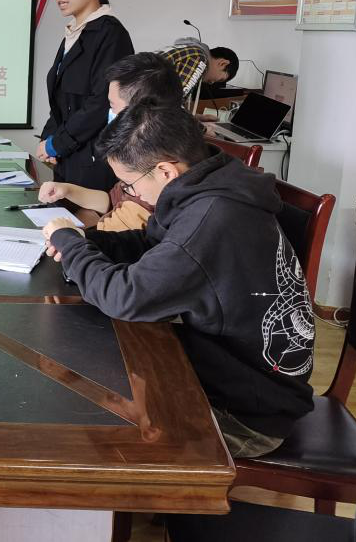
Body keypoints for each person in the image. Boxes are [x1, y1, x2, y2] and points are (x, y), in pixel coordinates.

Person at [42, 101, 314, 457]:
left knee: (85, 425)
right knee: (94, 370)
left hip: (244, 415)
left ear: (166, 171)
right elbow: (152, 243)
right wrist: (88, 242)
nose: (131, 195)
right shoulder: (212, 183)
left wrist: (72, 246)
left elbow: (125, 297)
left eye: (129, 185)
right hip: (228, 374)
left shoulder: (212, 218)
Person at [38, 52, 183, 231]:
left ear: (137, 111)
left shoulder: (152, 167)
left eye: (112, 105)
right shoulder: (139, 146)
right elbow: (113, 200)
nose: (108, 112)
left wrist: (69, 237)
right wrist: (68, 190)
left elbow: (120, 234)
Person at [38, 0, 134, 191]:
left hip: (93, 161)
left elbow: (101, 103)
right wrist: (48, 139)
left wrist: (56, 144)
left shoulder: (110, 33)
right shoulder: (74, 32)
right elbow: (62, 102)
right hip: (69, 157)